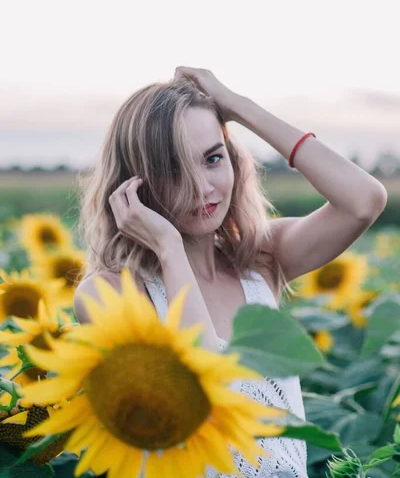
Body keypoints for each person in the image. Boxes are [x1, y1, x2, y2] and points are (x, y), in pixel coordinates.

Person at [73, 66, 387, 478]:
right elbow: (199, 394)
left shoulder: (258, 259)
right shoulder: (109, 294)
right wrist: (169, 249)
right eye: (173, 168)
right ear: (133, 185)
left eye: (213, 158)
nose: (204, 188)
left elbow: (364, 200)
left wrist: (240, 108)